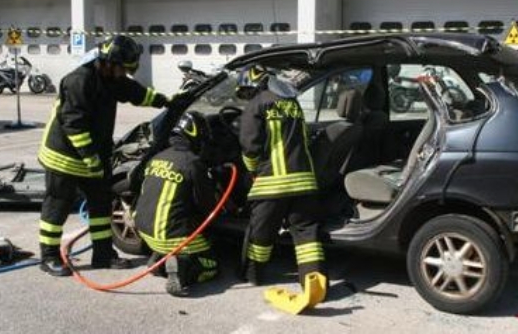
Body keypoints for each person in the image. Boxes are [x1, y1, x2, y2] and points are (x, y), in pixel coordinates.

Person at [37, 35, 171, 276]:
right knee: (57, 207)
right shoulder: (79, 80)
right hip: (65, 156)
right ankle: (48, 257)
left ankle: (103, 255)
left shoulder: (112, 78)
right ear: (109, 62)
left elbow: (135, 92)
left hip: (94, 157)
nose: (124, 75)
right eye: (123, 69)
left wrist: (166, 101)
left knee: (100, 206)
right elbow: (74, 125)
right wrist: (91, 159)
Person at [237, 65, 325, 289]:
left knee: (261, 233)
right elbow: (303, 137)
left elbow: (250, 148)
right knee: (306, 235)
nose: (247, 96)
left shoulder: (257, 105)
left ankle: (253, 275)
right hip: (304, 181)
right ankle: (314, 282)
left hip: (272, 184)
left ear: (255, 83)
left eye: (246, 91)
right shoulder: (292, 102)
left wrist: (252, 172)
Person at [133, 111, 219, 297]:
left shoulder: (156, 157)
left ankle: (160, 258)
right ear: (196, 135)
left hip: (144, 231)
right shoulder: (193, 163)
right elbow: (207, 205)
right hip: (171, 235)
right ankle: (179, 269)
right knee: (211, 267)